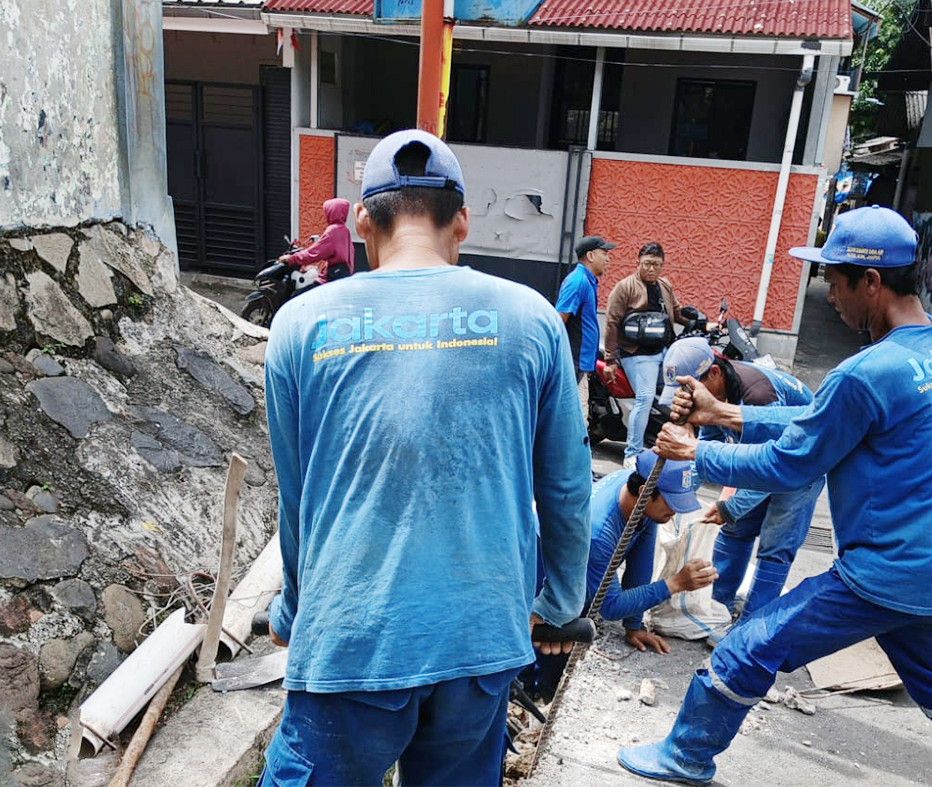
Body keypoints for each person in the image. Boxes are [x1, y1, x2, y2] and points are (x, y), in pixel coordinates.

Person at [619, 207, 932, 787]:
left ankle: (686, 756)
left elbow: (791, 462)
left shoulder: (865, 373)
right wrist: (723, 413)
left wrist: (695, 453)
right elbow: (825, 421)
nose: (830, 297)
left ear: (871, 282)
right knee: (931, 680)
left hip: (896, 572)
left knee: (747, 648)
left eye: (834, 282)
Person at [261, 130, 591, 787]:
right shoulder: (532, 320)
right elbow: (566, 486)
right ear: (462, 221)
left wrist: (293, 611)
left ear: (362, 221)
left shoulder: (300, 326)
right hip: (480, 640)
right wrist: (558, 602)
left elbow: (297, 500)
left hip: (352, 640)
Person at [657, 338, 823, 646]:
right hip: (766, 462)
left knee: (775, 546)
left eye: (691, 389)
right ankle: (718, 604)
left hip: (802, 466)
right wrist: (678, 491)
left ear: (714, 374)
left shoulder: (758, 397)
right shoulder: (718, 392)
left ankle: (750, 630)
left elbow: (772, 468)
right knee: (736, 529)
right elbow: (708, 445)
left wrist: (729, 507)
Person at [587, 450, 718, 654]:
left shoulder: (639, 500)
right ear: (643, 492)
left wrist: (634, 626)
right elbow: (609, 606)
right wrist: (676, 583)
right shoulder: (599, 533)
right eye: (671, 502)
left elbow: (640, 566)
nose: (675, 510)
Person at [604, 242, 682, 469]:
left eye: (656, 264)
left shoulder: (665, 286)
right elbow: (611, 323)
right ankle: (632, 452)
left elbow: (677, 313)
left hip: (664, 351)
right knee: (645, 397)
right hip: (636, 354)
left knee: (681, 394)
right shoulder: (625, 287)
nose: (651, 269)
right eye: (647, 264)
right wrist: (610, 359)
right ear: (637, 263)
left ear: (662, 265)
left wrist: (703, 324)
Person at [555, 235, 615, 426]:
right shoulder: (578, 281)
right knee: (574, 423)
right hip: (572, 364)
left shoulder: (586, 281)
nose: (608, 259)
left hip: (579, 366)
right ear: (590, 256)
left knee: (576, 422)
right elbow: (558, 321)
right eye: (604, 253)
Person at [279, 197, 354, 283]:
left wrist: (292, 259)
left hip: (330, 280)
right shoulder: (345, 231)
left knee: (303, 289)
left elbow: (315, 252)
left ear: (332, 212)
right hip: (340, 278)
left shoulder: (333, 231)